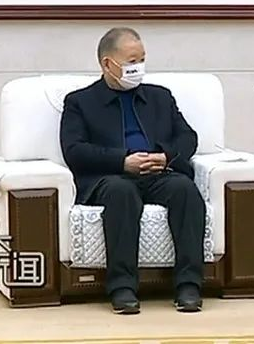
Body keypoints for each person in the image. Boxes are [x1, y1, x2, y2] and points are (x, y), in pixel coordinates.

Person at [60, 27, 205, 314]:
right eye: (131, 62)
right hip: (111, 176)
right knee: (122, 192)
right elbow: (74, 150)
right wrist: (122, 161)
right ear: (107, 64)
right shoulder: (80, 102)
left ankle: (189, 285)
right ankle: (122, 288)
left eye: (142, 60)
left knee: (185, 190)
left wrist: (165, 156)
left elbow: (188, 138)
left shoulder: (160, 97)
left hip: (157, 173)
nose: (138, 68)